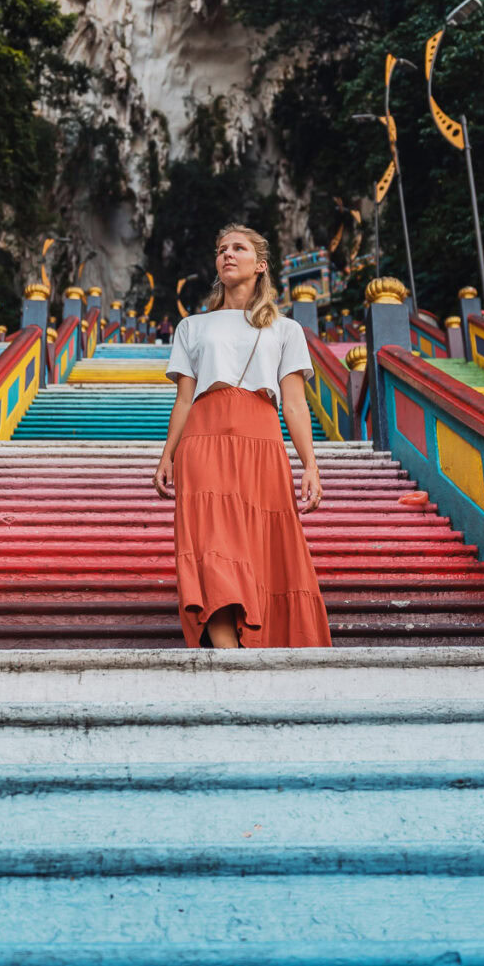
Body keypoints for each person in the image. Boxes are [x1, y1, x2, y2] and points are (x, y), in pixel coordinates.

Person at [153, 223, 333, 650]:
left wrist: (310, 465)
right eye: (221, 249)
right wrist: (167, 456)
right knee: (212, 546)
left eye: (238, 248)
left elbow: (293, 403)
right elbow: (183, 400)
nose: (227, 255)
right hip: (203, 438)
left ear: (261, 264)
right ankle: (231, 663)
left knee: (258, 547)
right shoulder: (192, 327)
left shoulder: (286, 330)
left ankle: (256, 651)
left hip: (261, 439)